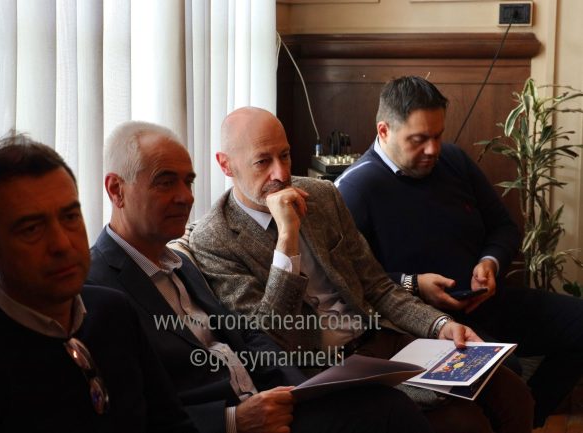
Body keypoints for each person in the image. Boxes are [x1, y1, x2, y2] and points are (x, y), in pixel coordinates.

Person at [189, 106, 535, 433]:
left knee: (510, 390)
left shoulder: (322, 195)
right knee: (464, 422)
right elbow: (270, 337)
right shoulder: (214, 238)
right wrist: (287, 238)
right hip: (324, 370)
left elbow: (377, 286)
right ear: (226, 165)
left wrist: (439, 325)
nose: (281, 174)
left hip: (379, 340)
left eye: (285, 155)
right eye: (263, 161)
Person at [87, 120, 434, 433]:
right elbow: (128, 415)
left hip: (288, 389)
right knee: (391, 410)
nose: (185, 197)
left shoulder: (176, 263)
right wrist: (233, 420)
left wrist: (301, 393)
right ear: (116, 190)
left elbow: (249, 338)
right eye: (165, 182)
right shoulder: (97, 288)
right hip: (241, 415)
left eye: (188, 181)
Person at [334, 75, 583, 427]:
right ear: (384, 131)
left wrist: (489, 262)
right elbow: (348, 282)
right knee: (505, 372)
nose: (433, 149)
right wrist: (414, 284)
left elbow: (504, 227)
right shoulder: (353, 189)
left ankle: (528, 420)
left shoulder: (453, 160)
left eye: (438, 135)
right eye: (419, 139)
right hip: (422, 324)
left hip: (486, 301)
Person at [0, 134, 196, 433]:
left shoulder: (114, 313)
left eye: (70, 217)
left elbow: (172, 424)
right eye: (32, 229)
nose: (61, 244)